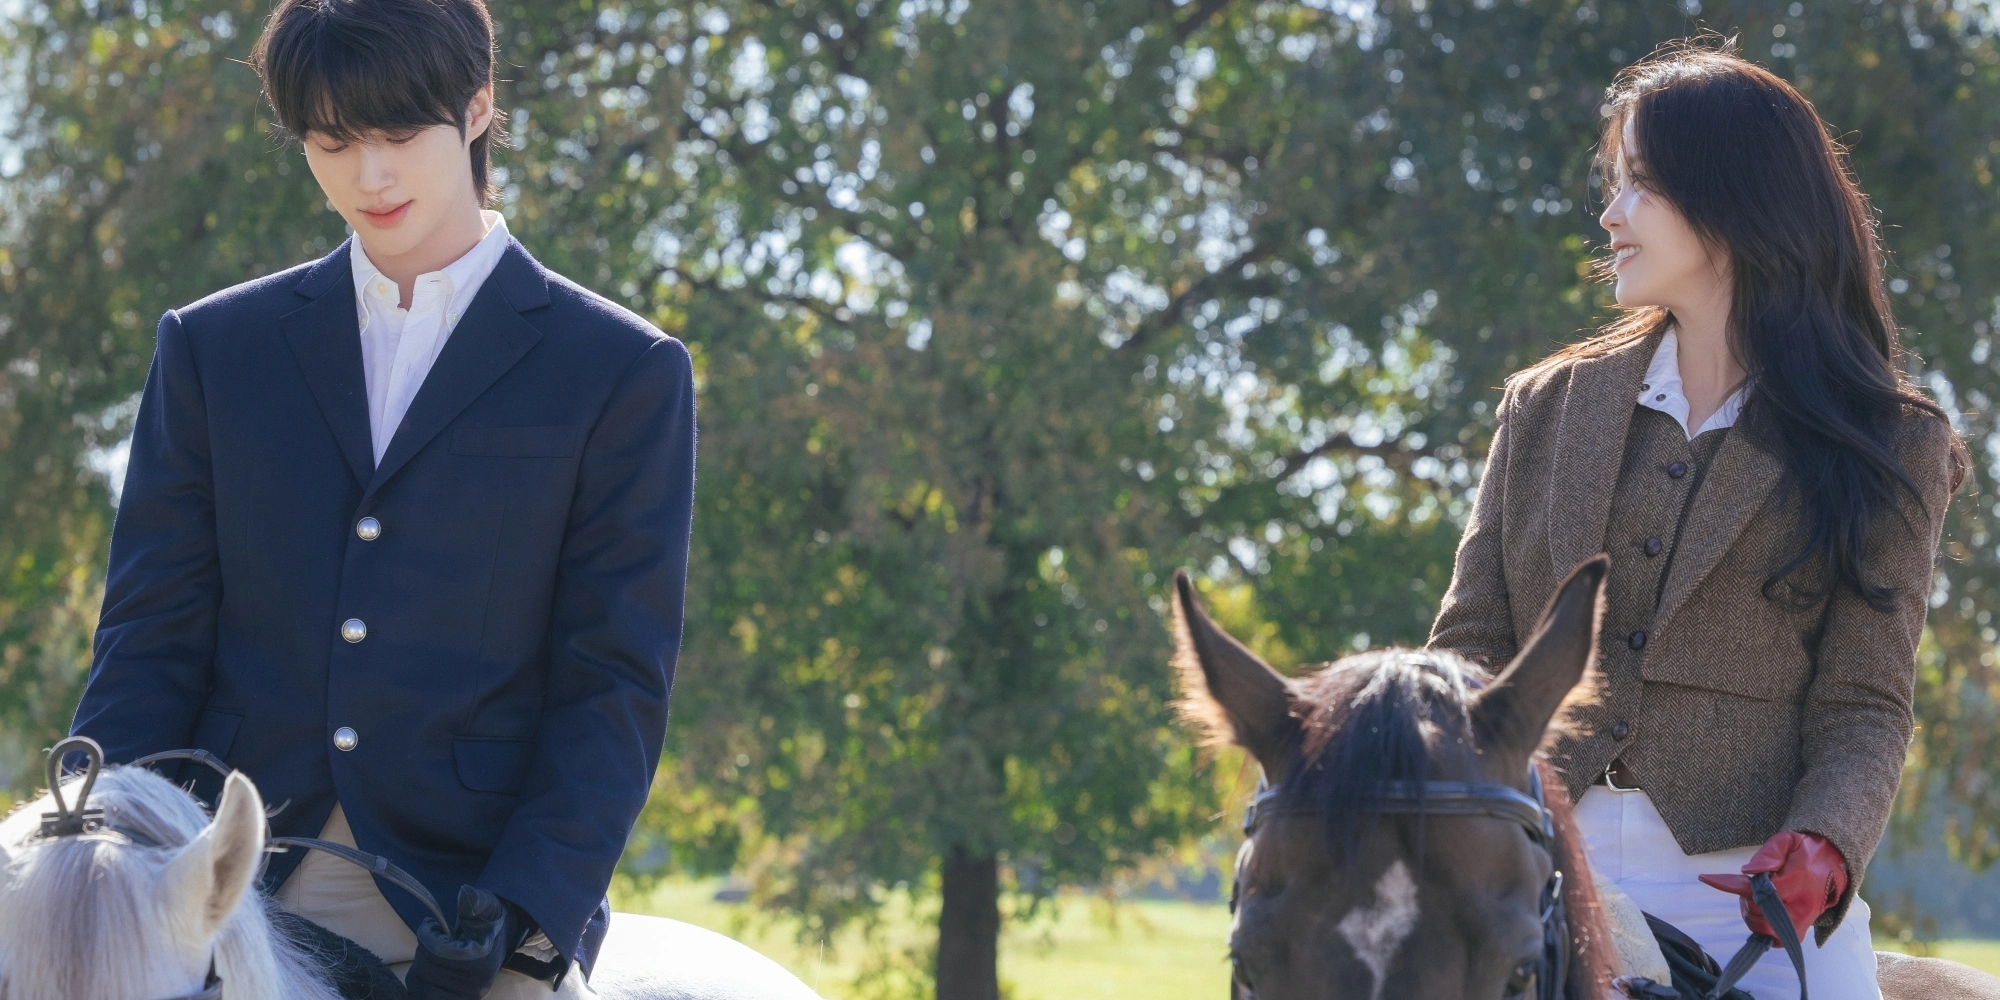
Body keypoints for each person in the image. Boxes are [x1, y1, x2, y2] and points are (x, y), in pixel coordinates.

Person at [67, 0, 698, 996]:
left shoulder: (621, 371)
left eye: (400, 134)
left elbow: (611, 685)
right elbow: (149, 638)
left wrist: (529, 919)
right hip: (213, 885)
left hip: (466, 896)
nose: (369, 176)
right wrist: (93, 841)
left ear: (478, 106)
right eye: (332, 141)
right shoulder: (213, 350)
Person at [1428, 39, 1966, 1000]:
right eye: (1613, 183)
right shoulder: (1543, 408)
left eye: (1639, 184)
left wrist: (1824, 848)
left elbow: (1864, 703)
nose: (1609, 214)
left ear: (1731, 198)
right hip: (1541, 875)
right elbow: (1470, 647)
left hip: (1754, 897)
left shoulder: (1891, 441)